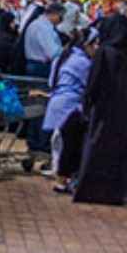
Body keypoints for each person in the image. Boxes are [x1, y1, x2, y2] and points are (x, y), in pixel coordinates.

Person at [73, 13, 127, 206]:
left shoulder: (104, 52)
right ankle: (126, 193)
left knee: (100, 148)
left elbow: (94, 82)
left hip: (106, 109)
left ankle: (96, 192)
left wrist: (87, 105)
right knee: (126, 153)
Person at [43, 29, 95, 188]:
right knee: (69, 146)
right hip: (71, 107)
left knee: (59, 144)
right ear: (86, 45)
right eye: (95, 44)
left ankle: (60, 178)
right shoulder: (83, 63)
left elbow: (51, 82)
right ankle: (63, 179)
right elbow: (90, 86)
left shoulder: (62, 57)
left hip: (56, 103)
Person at [22, 3, 64, 155]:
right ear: (54, 14)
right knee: (41, 107)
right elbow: (52, 52)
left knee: (34, 106)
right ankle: (40, 143)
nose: (60, 20)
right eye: (60, 17)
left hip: (33, 67)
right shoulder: (43, 28)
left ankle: (34, 141)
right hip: (41, 69)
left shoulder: (36, 24)